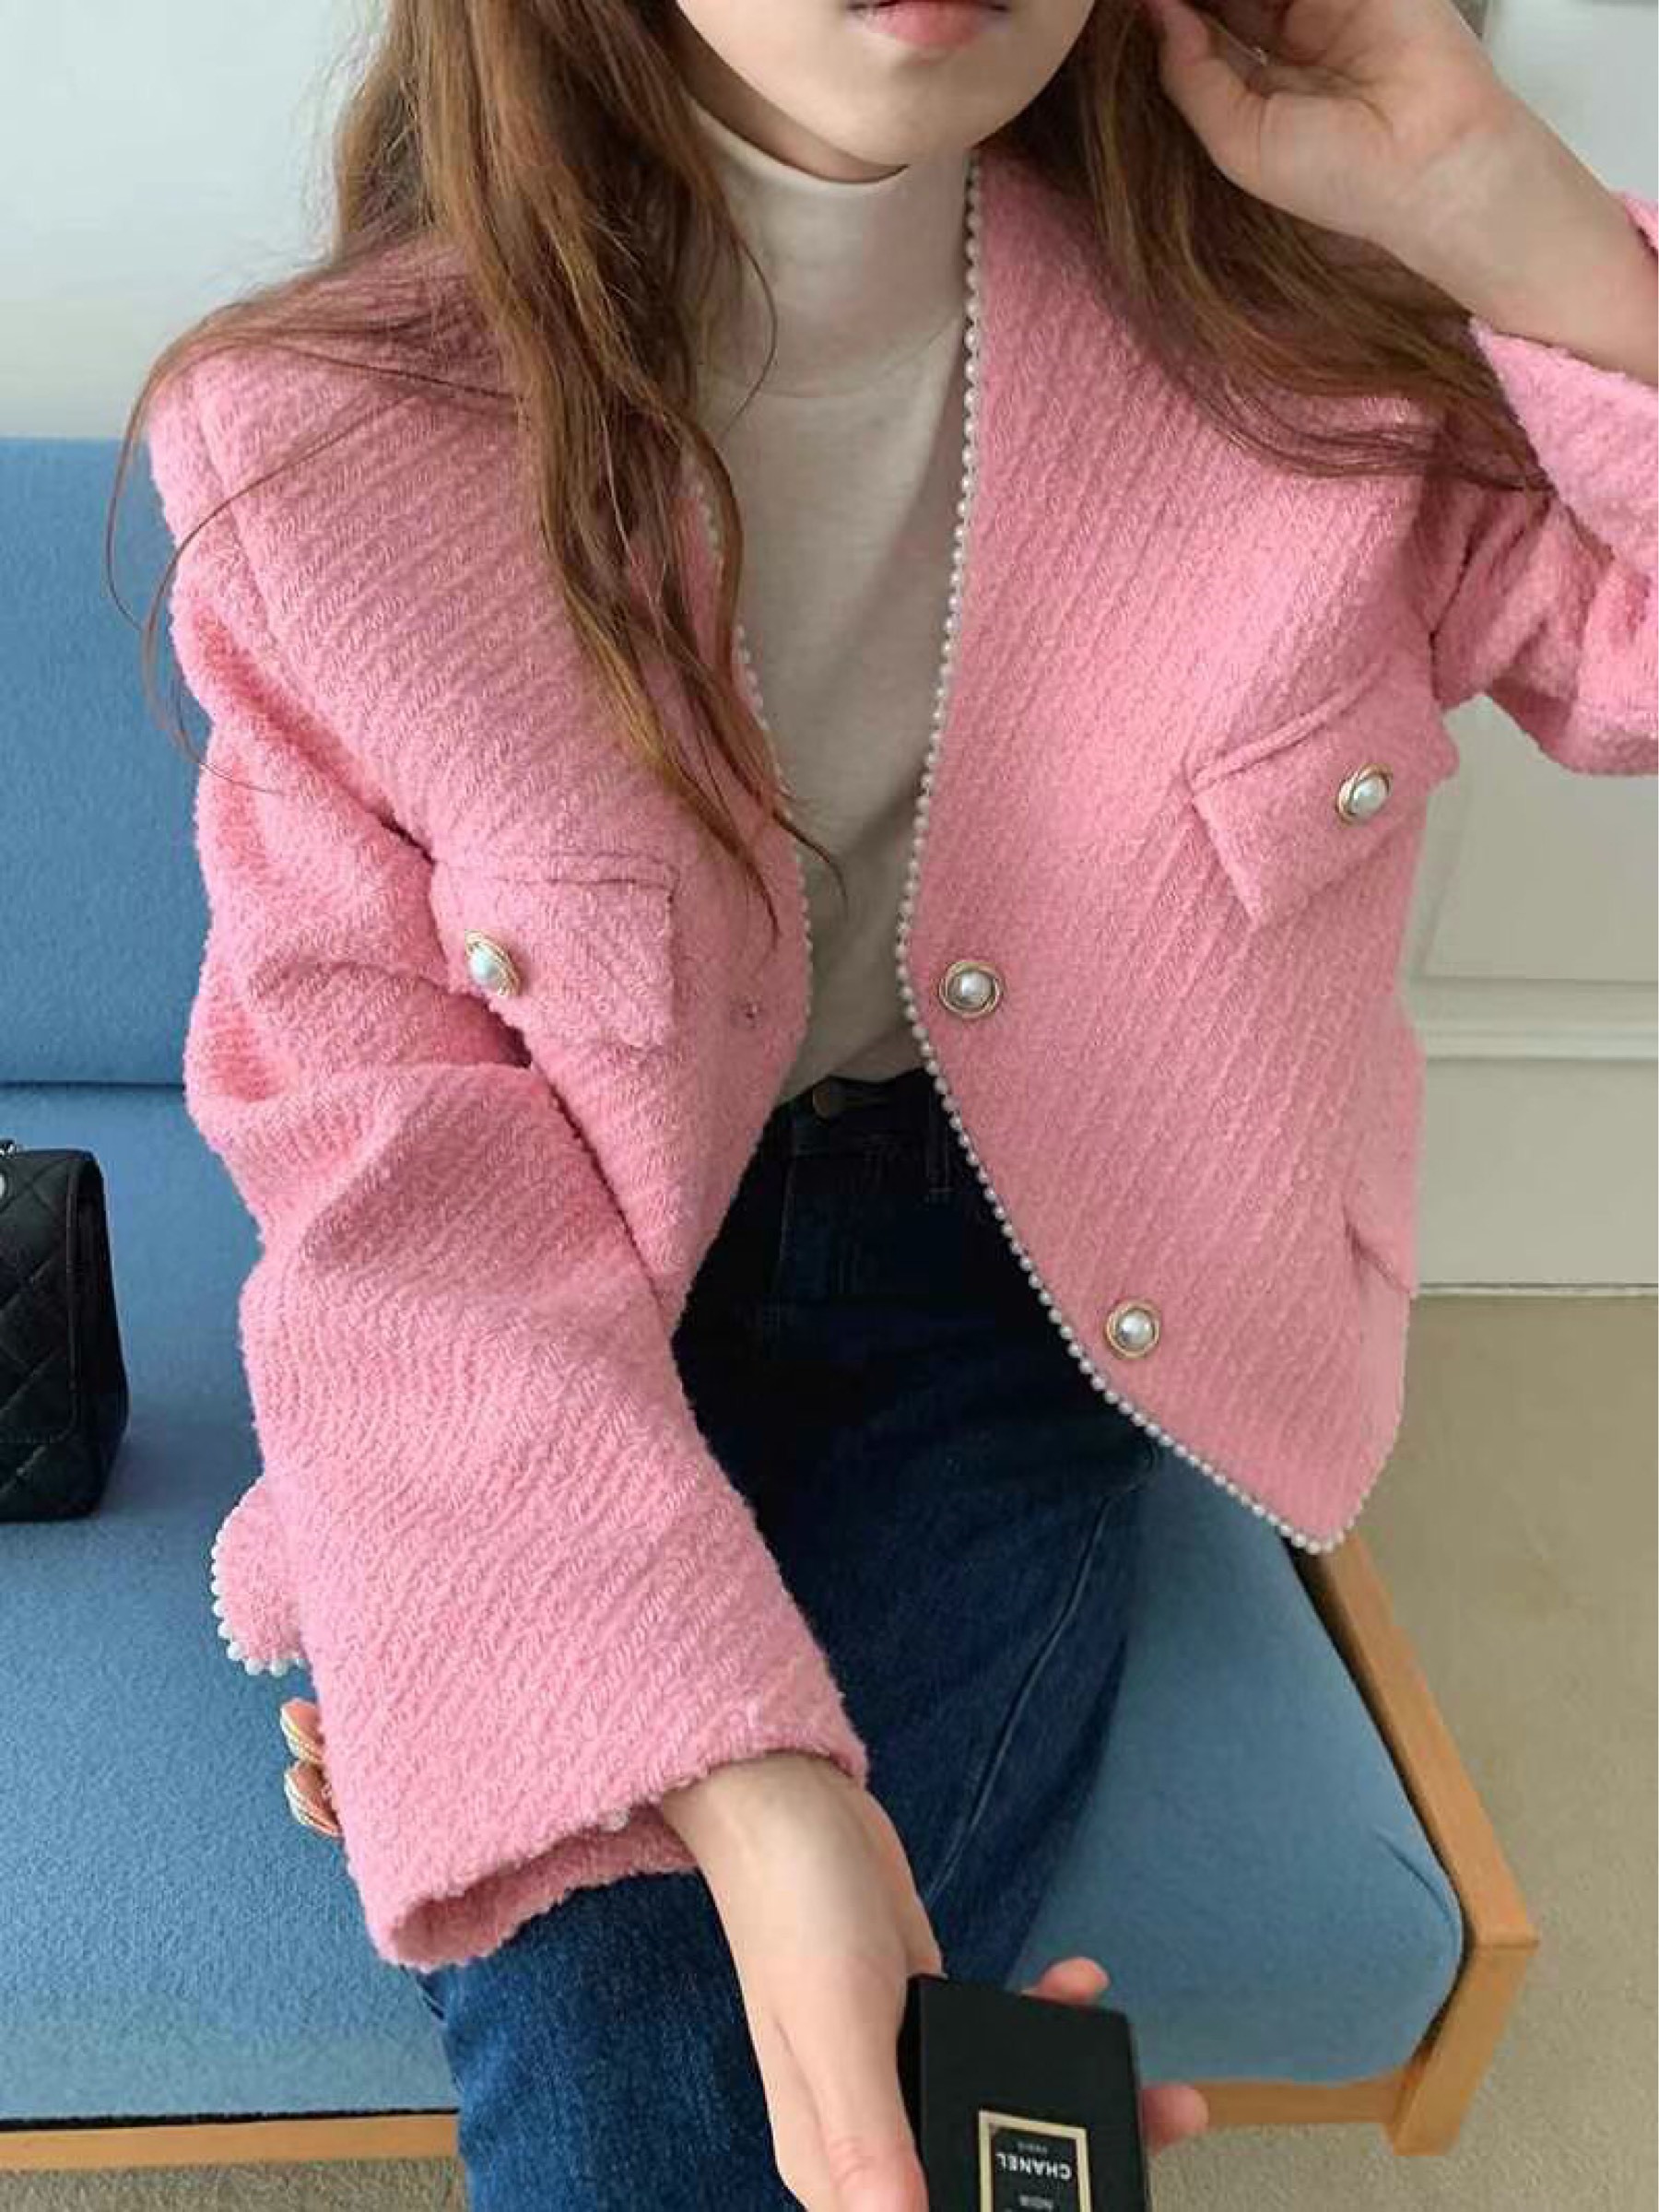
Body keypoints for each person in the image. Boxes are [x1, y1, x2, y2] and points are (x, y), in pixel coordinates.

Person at [122, 1, 1657, 2205]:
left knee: (787, 2075)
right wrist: (730, 1785)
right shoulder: (321, 452)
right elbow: (402, 1188)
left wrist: (1500, 207)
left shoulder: (1309, 355)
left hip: (1028, 1280)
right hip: (573, 1268)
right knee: (650, 2029)